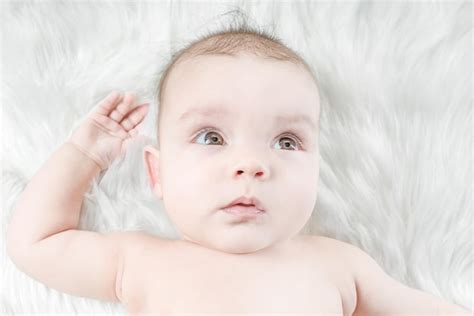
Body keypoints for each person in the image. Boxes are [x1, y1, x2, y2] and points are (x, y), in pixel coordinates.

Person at [6, 21, 470, 315]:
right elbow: (37, 242)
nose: (251, 164)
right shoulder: (141, 260)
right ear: (157, 174)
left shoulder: (339, 265)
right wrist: (85, 155)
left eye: (286, 141)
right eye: (212, 137)